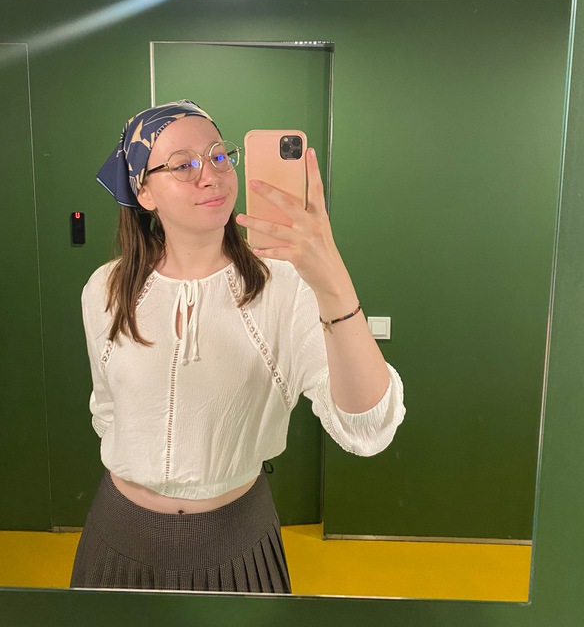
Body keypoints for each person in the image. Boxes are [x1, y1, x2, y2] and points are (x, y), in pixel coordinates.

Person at [70, 100, 406, 593]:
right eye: (183, 164)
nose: (210, 175)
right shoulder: (106, 288)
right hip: (118, 539)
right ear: (144, 191)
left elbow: (368, 426)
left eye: (218, 156)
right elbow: (106, 410)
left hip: (238, 546)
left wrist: (333, 281)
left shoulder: (286, 286)